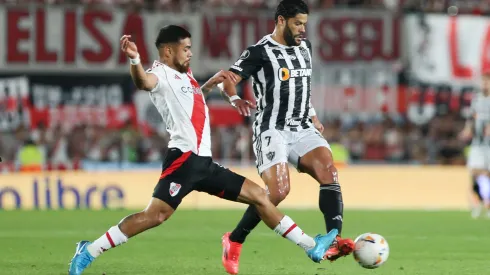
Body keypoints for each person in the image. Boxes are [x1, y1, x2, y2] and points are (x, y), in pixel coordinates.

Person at [67, 25, 339, 275]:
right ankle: (89, 250)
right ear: (168, 50)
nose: (191, 53)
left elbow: (194, 103)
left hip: (204, 164)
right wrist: (134, 59)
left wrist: (210, 87)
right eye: (186, 48)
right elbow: (143, 83)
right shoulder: (159, 74)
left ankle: (310, 246)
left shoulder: (186, 78)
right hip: (183, 161)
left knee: (260, 197)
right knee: (155, 216)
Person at [218, 1, 354, 273]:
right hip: (272, 128)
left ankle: (333, 239)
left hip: (302, 126)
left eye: (305, 23)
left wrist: (313, 114)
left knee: (329, 171)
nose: (303, 29)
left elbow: (300, 85)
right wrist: (234, 97)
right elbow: (227, 79)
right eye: (297, 23)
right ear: (281, 20)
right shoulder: (259, 52)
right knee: (278, 192)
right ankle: (234, 239)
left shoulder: (306, 47)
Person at [459, 70, 490, 219]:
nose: (484, 84)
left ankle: (487, 204)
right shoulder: (476, 100)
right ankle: (479, 202)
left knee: (488, 174)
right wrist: (467, 130)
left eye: (487, 81)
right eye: (483, 81)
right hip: (478, 143)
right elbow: (471, 118)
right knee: (475, 172)